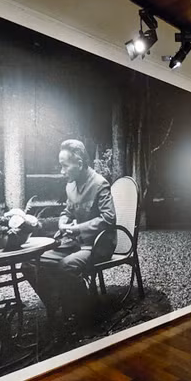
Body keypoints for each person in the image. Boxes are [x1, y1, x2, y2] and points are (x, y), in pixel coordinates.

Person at [34, 139, 117, 328]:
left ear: (79, 163)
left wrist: (77, 228)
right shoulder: (70, 185)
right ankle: (57, 302)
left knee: (67, 266)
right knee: (31, 262)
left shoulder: (100, 184)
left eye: (65, 166)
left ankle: (86, 314)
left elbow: (109, 219)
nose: (62, 171)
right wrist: (62, 220)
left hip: (98, 245)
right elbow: (67, 212)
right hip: (75, 243)